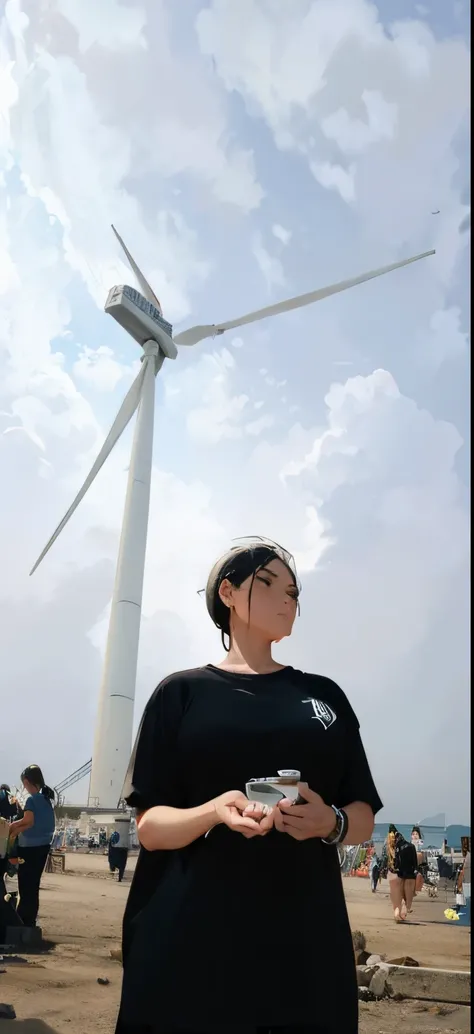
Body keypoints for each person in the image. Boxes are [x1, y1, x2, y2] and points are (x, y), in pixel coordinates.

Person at [115, 538, 383, 1034]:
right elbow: (150, 827)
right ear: (228, 592)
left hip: (302, 939)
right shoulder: (180, 695)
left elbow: (362, 816)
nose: (288, 599)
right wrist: (215, 811)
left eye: (295, 592)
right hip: (189, 935)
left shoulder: (324, 698)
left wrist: (331, 822)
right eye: (269, 582)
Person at [7, 765, 55, 928]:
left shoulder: (32, 800)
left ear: (27, 782)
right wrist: (15, 830)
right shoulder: (47, 799)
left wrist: (11, 826)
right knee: (33, 885)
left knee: (25, 884)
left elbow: (28, 821)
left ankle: (23, 920)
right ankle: (29, 920)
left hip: (29, 848)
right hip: (43, 847)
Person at [383, 825, 417, 922]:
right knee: (407, 897)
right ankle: (403, 913)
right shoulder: (411, 846)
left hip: (400, 874)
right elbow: (415, 864)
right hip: (410, 874)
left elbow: (394, 861)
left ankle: (399, 914)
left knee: (400, 896)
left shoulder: (395, 847)